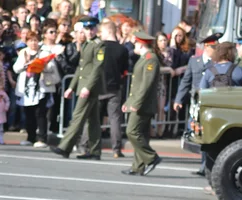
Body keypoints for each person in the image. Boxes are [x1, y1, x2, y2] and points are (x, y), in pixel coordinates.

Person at [50, 16, 105, 159]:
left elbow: (97, 68)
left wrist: (87, 87)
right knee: (93, 121)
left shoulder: (99, 45)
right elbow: (81, 68)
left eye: (92, 28)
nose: (89, 31)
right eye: (86, 29)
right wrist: (72, 87)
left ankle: (65, 147)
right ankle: (95, 151)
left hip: (89, 87)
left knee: (77, 117)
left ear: (96, 29)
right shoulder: (87, 44)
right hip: (83, 85)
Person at [173, 32, 221, 177]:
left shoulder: (217, 63)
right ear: (207, 47)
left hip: (211, 103)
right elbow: (186, 81)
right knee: (196, 132)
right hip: (196, 103)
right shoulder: (194, 61)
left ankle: (205, 166)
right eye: (214, 47)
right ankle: (204, 164)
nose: (217, 49)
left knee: (208, 134)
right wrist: (178, 99)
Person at [120, 31, 162, 176]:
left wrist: (136, 103)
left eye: (136, 43)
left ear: (141, 44)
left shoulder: (151, 59)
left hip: (144, 104)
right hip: (140, 102)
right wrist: (129, 101)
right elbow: (137, 85)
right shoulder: (145, 58)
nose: (134, 46)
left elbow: (146, 84)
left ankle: (151, 157)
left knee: (132, 131)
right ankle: (138, 166)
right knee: (141, 134)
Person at [95, 20, 128, 157]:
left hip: (99, 87)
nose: (100, 35)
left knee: (95, 118)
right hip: (114, 87)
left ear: (108, 31)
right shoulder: (123, 49)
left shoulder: (100, 47)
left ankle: (93, 146)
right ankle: (116, 149)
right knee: (115, 119)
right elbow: (124, 71)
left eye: (101, 32)